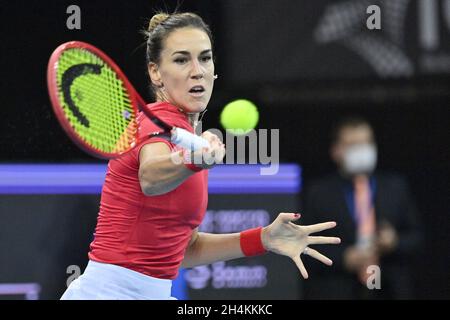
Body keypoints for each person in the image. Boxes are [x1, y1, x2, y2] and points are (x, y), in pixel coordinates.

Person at [61, 11, 340, 300]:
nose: (198, 70)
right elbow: (150, 176)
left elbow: (184, 250)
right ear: (155, 72)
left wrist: (263, 239)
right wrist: (193, 161)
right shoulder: (156, 121)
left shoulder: (189, 138)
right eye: (182, 60)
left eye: (205, 58)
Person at [302, 116, 422, 299]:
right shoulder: (319, 193)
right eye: (353, 145)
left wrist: (394, 242)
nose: (362, 150)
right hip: (338, 289)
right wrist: (343, 258)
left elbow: (416, 238)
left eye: (367, 143)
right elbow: (303, 246)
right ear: (336, 151)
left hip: (389, 289)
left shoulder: (396, 187)